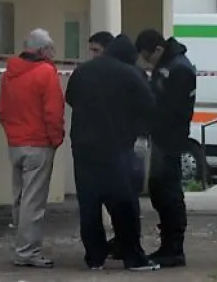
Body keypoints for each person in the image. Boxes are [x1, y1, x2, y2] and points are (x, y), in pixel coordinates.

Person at [67, 34, 159, 272]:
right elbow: (149, 105)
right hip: (115, 147)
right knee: (123, 204)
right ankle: (133, 257)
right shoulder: (130, 74)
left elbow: (70, 98)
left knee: (89, 204)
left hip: (83, 147)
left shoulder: (82, 71)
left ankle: (94, 257)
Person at [0, 28, 65, 268]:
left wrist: (12, 135)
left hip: (16, 143)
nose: (53, 53)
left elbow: (3, 110)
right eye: (51, 48)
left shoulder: (9, 73)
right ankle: (27, 251)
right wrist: (56, 139)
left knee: (20, 197)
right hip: (39, 144)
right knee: (33, 201)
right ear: (42, 50)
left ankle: (22, 245)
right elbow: (53, 112)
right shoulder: (46, 72)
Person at [134, 29, 197, 268]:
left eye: (149, 57)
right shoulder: (170, 65)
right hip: (164, 138)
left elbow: (170, 108)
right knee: (160, 191)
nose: (149, 62)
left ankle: (173, 247)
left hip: (170, 138)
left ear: (158, 49)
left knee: (168, 193)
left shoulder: (177, 69)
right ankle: (167, 245)